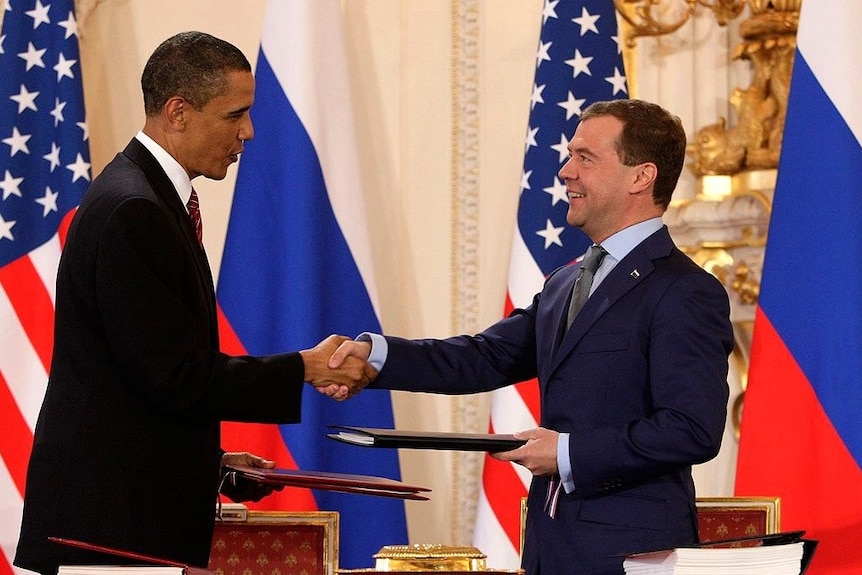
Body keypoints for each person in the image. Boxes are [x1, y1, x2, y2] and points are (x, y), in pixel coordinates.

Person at [329, 99, 734, 575]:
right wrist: (375, 356)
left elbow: (691, 430)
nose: (565, 171)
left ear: (641, 176)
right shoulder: (566, 282)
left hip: (632, 555)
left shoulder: (684, 291)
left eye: (585, 157)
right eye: (570, 156)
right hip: (550, 543)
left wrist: (565, 452)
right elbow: (484, 357)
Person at [14, 31, 367, 575]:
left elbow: (133, 386)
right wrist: (305, 367)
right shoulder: (133, 209)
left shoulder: (149, 199)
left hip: (124, 520)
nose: (248, 132)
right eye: (235, 115)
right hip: (107, 533)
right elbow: (174, 376)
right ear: (178, 111)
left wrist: (213, 464)